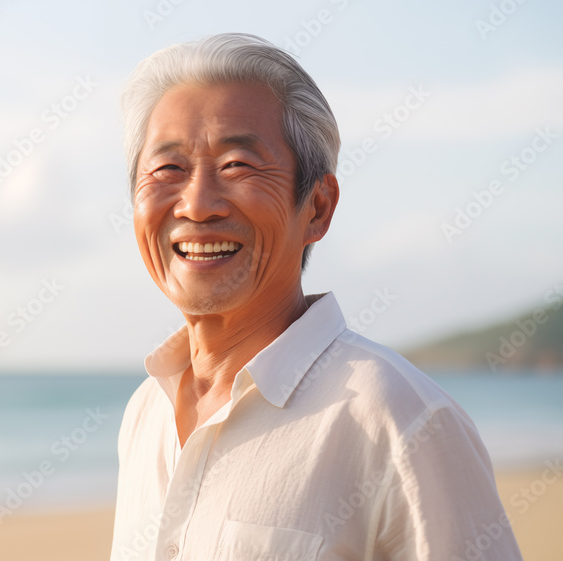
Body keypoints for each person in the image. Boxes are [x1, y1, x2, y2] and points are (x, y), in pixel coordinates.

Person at [109, 33, 522, 561]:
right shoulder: (146, 413)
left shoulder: (400, 419)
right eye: (168, 169)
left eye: (237, 165)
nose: (197, 204)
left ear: (319, 206)